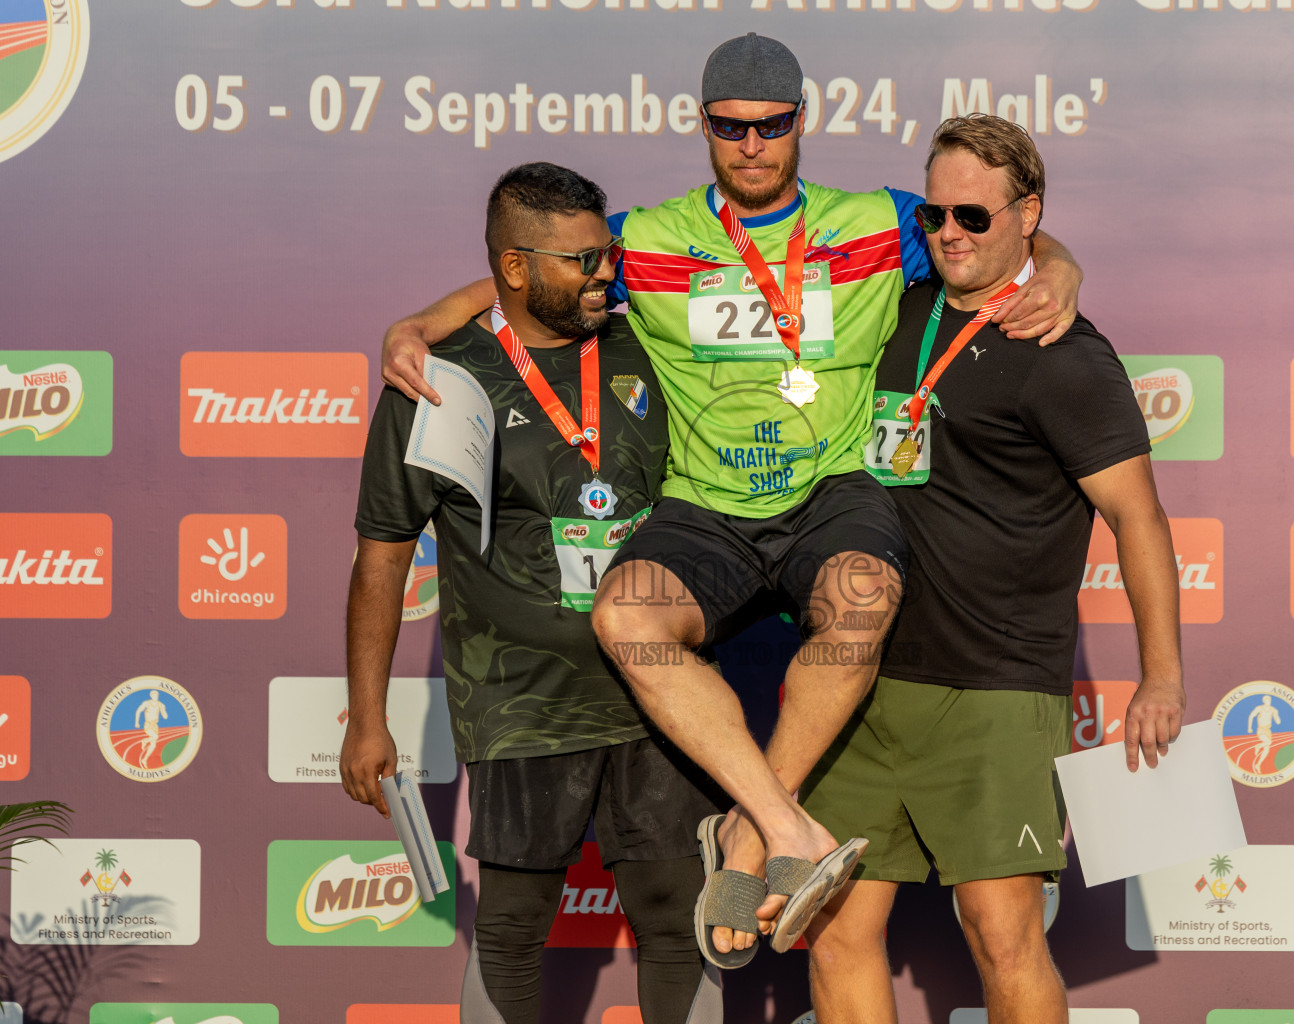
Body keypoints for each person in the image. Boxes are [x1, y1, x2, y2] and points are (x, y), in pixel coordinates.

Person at [377, 34, 1086, 963]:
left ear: (802, 120)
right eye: (730, 127)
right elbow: (535, 266)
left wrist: (1061, 269)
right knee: (625, 615)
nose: (752, 145)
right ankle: (786, 826)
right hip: (705, 501)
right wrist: (420, 322)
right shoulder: (653, 237)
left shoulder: (882, 220)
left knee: (866, 595)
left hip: (831, 488)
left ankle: (753, 832)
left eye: (772, 125)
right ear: (704, 126)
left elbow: (997, 231)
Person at [799, 115, 1186, 1024]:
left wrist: (1162, 676)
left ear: (1028, 215)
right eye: (934, 215)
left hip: (996, 686)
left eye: (974, 216)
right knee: (838, 932)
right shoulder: (895, 308)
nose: (949, 236)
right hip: (857, 678)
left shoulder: (1067, 355)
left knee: (1002, 932)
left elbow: (1139, 519)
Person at [340, 162, 725, 1024]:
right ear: (514, 270)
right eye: (579, 263)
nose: (603, 276)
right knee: (514, 926)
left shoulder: (648, 340)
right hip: (518, 694)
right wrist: (368, 716)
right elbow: (382, 556)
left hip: (659, 686)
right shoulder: (437, 380)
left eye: (607, 256)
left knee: (676, 914)